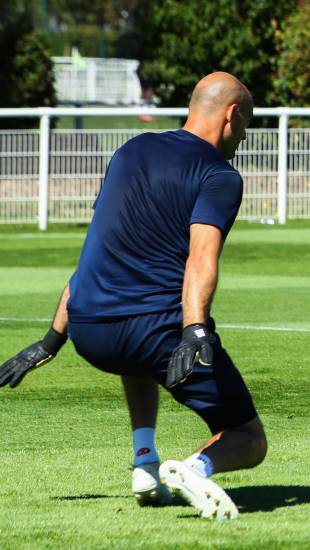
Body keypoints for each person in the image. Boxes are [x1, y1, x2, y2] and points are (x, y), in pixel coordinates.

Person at [0, 72, 267, 517]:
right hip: (156, 335)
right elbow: (200, 259)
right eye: (245, 126)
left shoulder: (131, 150)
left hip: (89, 330)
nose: (242, 137)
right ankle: (197, 468)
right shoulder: (220, 175)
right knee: (249, 438)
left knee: (135, 350)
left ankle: (144, 462)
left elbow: (101, 248)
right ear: (232, 115)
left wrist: (52, 339)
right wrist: (196, 331)